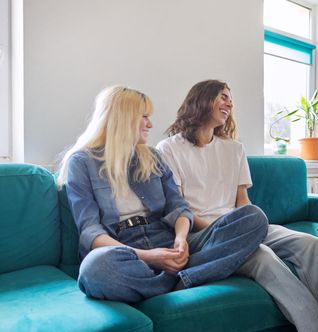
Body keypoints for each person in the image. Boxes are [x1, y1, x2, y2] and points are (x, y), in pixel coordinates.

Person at [156, 80, 318, 332]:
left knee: (310, 244)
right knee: (262, 256)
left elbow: (243, 203)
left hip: (242, 224)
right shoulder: (169, 148)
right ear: (202, 100)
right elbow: (180, 208)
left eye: (231, 99)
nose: (229, 103)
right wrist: (232, 229)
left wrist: (248, 226)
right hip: (202, 232)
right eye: (223, 97)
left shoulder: (234, 148)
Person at [56, 86, 268, 303]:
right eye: (145, 117)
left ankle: (181, 279)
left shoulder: (152, 157)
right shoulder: (81, 163)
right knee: (95, 269)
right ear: (124, 118)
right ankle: (186, 277)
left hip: (166, 239)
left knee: (253, 217)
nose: (151, 124)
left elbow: (178, 207)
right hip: (125, 251)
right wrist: (150, 257)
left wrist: (180, 239)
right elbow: (90, 232)